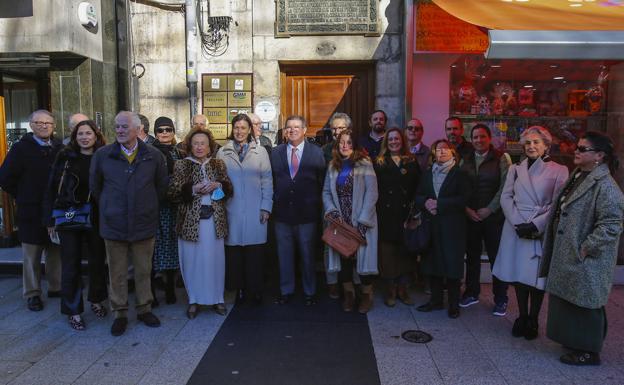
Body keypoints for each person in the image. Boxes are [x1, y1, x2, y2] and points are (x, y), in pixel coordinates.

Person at [540, 131, 624, 366]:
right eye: (577, 147)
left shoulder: (606, 187)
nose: (576, 151)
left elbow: (611, 226)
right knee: (570, 299)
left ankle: (589, 351)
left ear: (599, 155)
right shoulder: (579, 175)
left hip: (585, 258)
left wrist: (586, 248)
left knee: (586, 304)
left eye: (582, 149)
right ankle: (574, 342)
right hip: (570, 253)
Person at [90, 111, 168, 336]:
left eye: (125, 127)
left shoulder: (153, 156)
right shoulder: (103, 155)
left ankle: (144, 308)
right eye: (117, 127)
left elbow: (161, 187)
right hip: (114, 223)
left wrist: (148, 205)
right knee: (117, 272)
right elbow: (96, 188)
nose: (120, 131)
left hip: (144, 222)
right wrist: (110, 206)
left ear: (138, 129)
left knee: (144, 270)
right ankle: (120, 313)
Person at [492, 126, 568, 340]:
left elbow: (558, 203)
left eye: (536, 142)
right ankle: (522, 315)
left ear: (546, 145)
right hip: (515, 227)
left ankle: (533, 318)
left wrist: (536, 225)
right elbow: (505, 197)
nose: (531, 146)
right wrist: (517, 222)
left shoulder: (559, 170)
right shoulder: (515, 168)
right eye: (527, 143)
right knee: (518, 274)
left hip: (539, 228)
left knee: (536, 277)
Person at [43, 120, 108, 330]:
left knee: (97, 263)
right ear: (75, 136)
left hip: (97, 217)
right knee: (70, 266)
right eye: (80, 134)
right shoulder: (65, 157)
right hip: (69, 216)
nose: (84, 137)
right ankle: (73, 310)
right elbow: (51, 188)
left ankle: (96, 300)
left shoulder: (104, 157)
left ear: (96, 136)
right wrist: (50, 220)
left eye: (88, 133)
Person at [0, 109, 63, 312]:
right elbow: (5, 178)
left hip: (55, 209)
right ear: (31, 125)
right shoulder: (20, 149)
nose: (44, 126)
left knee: (55, 251)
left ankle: (56, 287)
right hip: (31, 211)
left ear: (53, 126)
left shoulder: (60, 148)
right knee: (32, 255)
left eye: (48, 123)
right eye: (39, 123)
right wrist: (23, 194)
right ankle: (33, 293)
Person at [170, 128, 233, 319]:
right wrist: (193, 189)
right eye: (195, 143)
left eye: (203, 143)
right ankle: (194, 300)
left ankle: (217, 298)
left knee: (215, 262)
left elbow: (230, 189)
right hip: (190, 222)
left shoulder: (218, 164)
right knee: (193, 262)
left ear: (209, 146)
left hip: (214, 221)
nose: (199, 147)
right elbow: (172, 194)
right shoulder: (181, 165)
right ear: (190, 145)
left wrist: (219, 185)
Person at [217, 114, 273, 305]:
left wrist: (266, 207)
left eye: (243, 128)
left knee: (254, 253)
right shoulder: (223, 152)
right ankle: (236, 289)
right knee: (233, 254)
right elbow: (218, 182)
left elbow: (267, 181)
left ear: (250, 130)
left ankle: (254, 290)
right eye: (236, 128)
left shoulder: (261, 152)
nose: (239, 131)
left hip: (255, 210)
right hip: (231, 209)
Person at [271, 115, 326, 306]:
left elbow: (321, 181)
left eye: (297, 127)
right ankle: (286, 290)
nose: (292, 130)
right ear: (285, 131)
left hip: (307, 214)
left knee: (308, 254)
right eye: (289, 127)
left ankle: (310, 291)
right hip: (282, 214)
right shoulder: (275, 152)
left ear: (304, 130)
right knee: (284, 255)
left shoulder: (316, 152)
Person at [323, 130, 378, 313]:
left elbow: (372, 193)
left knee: (363, 263)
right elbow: (326, 192)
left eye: (348, 142)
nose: (345, 146)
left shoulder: (365, 163)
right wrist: (331, 210)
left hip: (361, 218)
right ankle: (349, 295)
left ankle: (367, 295)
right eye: (342, 142)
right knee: (344, 257)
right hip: (341, 220)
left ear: (354, 145)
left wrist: (363, 220)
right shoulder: (333, 165)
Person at [459, 124, 512, 316]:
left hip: (493, 218)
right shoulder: (465, 159)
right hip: (470, 216)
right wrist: (466, 209)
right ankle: (472, 292)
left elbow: (506, 187)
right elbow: (458, 186)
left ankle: (501, 298)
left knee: (496, 258)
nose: (478, 140)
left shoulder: (501, 158)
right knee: (471, 257)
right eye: (475, 137)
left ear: (489, 138)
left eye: (482, 136)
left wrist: (490, 209)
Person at [415, 139, 469, 318]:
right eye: (438, 150)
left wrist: (441, 204)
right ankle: (436, 301)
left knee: (452, 266)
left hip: (453, 227)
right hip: (432, 225)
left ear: (453, 153)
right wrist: (425, 203)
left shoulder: (460, 174)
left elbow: (464, 199)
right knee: (433, 264)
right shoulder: (428, 173)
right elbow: (419, 195)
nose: (442, 152)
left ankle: (454, 304)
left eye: (446, 149)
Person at [374, 127, 420, 307]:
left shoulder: (411, 161)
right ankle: (391, 289)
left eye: (397, 139)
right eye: (390, 139)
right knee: (387, 253)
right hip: (385, 214)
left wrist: (414, 212)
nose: (394, 142)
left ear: (402, 141)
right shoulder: (378, 161)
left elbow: (417, 187)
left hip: (405, 214)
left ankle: (403, 288)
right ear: (386, 142)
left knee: (405, 252)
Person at [151, 116, 186, 305]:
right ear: (155, 133)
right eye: (160, 130)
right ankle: (152, 293)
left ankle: (170, 289)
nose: (164, 133)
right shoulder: (147, 152)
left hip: (173, 208)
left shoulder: (178, 153)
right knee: (153, 251)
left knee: (172, 248)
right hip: (155, 208)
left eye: (168, 129)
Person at [321, 112, 352, 298]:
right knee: (329, 245)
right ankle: (332, 283)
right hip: (330, 206)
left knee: (353, 243)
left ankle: (351, 285)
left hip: (351, 207)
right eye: (334, 128)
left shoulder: (357, 151)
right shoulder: (324, 150)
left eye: (341, 128)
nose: (337, 131)